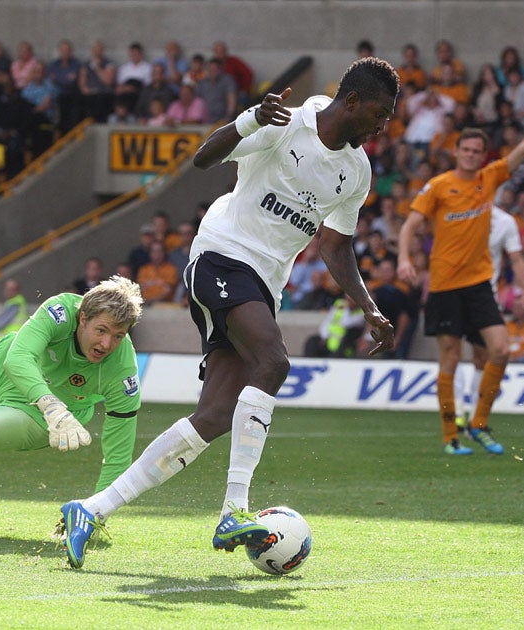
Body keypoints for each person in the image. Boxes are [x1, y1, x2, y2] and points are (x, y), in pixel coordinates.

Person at [59, 56, 399, 569]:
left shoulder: (356, 170)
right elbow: (202, 158)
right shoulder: (286, 124)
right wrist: (251, 119)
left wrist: (368, 307)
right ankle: (234, 509)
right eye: (380, 113)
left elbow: (336, 245)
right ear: (351, 101)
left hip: (264, 284)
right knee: (274, 363)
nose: (384, 125)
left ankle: (92, 508)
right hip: (221, 256)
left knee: (214, 416)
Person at [397, 124, 524, 456]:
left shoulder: (489, 177)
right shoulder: (439, 186)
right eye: (467, 150)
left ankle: (479, 423)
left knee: (499, 350)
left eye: (477, 151)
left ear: (483, 155)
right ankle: (450, 435)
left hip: (478, 285)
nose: (472, 156)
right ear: (457, 151)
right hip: (444, 286)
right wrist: (404, 258)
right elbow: (411, 225)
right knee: (451, 357)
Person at [0, 276, 143, 493]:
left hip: (35, 414)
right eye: (101, 330)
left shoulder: (123, 371)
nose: (106, 344)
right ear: (83, 318)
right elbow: (18, 358)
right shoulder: (60, 311)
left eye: (118, 336)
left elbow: (118, 458)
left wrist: (95, 512)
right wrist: (51, 405)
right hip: (3, 368)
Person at [454, 204, 524, 423]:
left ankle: (474, 415)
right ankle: (457, 412)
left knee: (486, 355)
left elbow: (516, 258)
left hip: (485, 296)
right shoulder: (457, 212)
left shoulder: (505, 221)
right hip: (453, 291)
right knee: (453, 354)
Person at [47, 39, 83, 134]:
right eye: (63, 50)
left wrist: (59, 79)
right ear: (59, 51)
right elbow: (51, 81)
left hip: (72, 96)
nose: (65, 52)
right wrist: (66, 79)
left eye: (67, 50)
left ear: (71, 51)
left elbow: (71, 82)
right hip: (57, 96)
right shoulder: (53, 65)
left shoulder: (76, 64)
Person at [78, 40, 116, 123]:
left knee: (101, 99)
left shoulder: (109, 64)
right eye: (95, 50)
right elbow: (82, 83)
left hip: (104, 93)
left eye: (99, 50)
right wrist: (87, 90)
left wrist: (97, 67)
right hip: (90, 94)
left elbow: (108, 81)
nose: (97, 52)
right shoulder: (86, 65)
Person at [196, 57, 237, 123]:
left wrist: (228, 117)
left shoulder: (228, 80)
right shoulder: (202, 83)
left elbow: (231, 100)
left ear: (221, 69)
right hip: (205, 119)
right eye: (210, 69)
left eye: (215, 69)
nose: (213, 71)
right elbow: (197, 102)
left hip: (222, 118)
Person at [136, 239, 178, 303]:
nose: (156, 254)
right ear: (150, 253)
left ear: (164, 253)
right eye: (154, 251)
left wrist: (155, 300)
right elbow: (141, 289)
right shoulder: (144, 270)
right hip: (145, 305)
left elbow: (169, 290)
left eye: (159, 251)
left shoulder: (171, 269)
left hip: (164, 305)